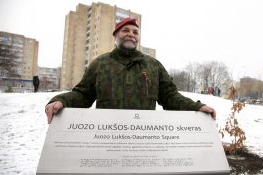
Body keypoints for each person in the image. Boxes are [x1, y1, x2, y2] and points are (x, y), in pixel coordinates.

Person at [45, 17, 216, 124]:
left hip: (143, 139)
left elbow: (170, 97)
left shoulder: (153, 65)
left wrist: (196, 107)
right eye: (125, 30)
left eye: (135, 32)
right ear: (115, 35)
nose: (131, 34)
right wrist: (61, 100)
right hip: (105, 138)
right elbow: (82, 95)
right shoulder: (100, 64)